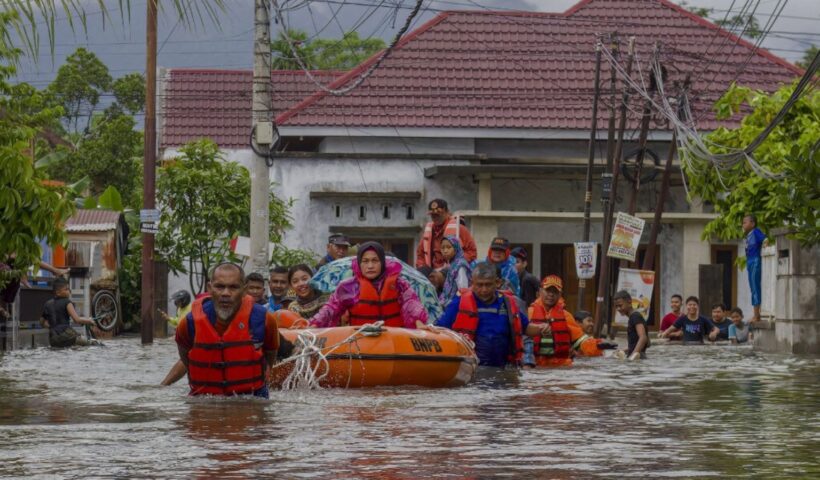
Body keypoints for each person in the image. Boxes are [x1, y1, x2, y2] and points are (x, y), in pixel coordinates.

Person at [173, 263, 280, 397]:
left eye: (233, 287)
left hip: (252, 397)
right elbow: (185, 357)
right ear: (209, 288)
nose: (226, 293)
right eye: (220, 286)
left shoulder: (264, 320)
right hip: (204, 399)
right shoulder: (189, 323)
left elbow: (271, 353)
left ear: (244, 290)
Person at [437, 263, 550, 368]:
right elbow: (440, 328)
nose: (484, 289)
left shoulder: (507, 303)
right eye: (479, 285)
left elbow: (526, 328)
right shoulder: (460, 302)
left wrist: (541, 328)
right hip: (471, 368)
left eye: (488, 285)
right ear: (472, 283)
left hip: (504, 368)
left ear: (497, 283)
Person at [310, 242, 428, 328]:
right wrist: (315, 324)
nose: (370, 266)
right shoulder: (348, 287)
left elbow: (411, 303)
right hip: (362, 342)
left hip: (395, 340)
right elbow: (331, 308)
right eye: (365, 261)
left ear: (382, 263)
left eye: (375, 261)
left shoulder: (399, 283)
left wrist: (418, 322)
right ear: (359, 263)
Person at [525, 275, 611, 367]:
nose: (551, 294)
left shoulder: (566, 316)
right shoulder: (528, 313)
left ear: (560, 294)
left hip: (561, 366)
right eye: (548, 290)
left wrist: (598, 345)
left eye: (555, 291)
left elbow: (582, 341)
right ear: (540, 291)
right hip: (534, 365)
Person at [415, 198, 477, 269]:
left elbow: (472, 252)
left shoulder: (459, 228)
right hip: (432, 271)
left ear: (447, 212)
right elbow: (420, 254)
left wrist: (457, 263)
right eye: (433, 215)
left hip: (452, 270)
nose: (435, 217)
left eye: (438, 214)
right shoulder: (429, 230)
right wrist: (421, 266)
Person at [40, 277, 96, 347]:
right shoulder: (67, 302)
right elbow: (77, 320)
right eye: (66, 289)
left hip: (53, 339)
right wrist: (89, 321)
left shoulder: (47, 304)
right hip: (68, 336)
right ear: (58, 292)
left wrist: (53, 327)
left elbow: (42, 322)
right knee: (91, 343)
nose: (69, 291)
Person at [742, 214, 766, 323]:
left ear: (752, 223)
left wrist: (765, 245)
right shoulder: (748, 235)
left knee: (755, 287)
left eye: (745, 222)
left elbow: (765, 239)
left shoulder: (756, 231)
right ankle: (755, 314)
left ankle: (757, 315)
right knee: (752, 287)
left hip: (755, 260)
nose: (743, 225)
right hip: (749, 261)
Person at [613, 290, 649, 360]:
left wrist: (632, 357)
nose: (618, 309)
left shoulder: (635, 316)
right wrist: (624, 351)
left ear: (629, 302)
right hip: (638, 356)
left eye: (620, 305)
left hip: (638, 358)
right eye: (616, 306)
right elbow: (634, 344)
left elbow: (643, 337)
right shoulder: (633, 317)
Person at [439, 236, 472, 307]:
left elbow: (463, 289)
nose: (445, 251)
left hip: (457, 306)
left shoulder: (460, 265)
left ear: (456, 248)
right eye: (442, 248)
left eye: (448, 247)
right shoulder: (453, 264)